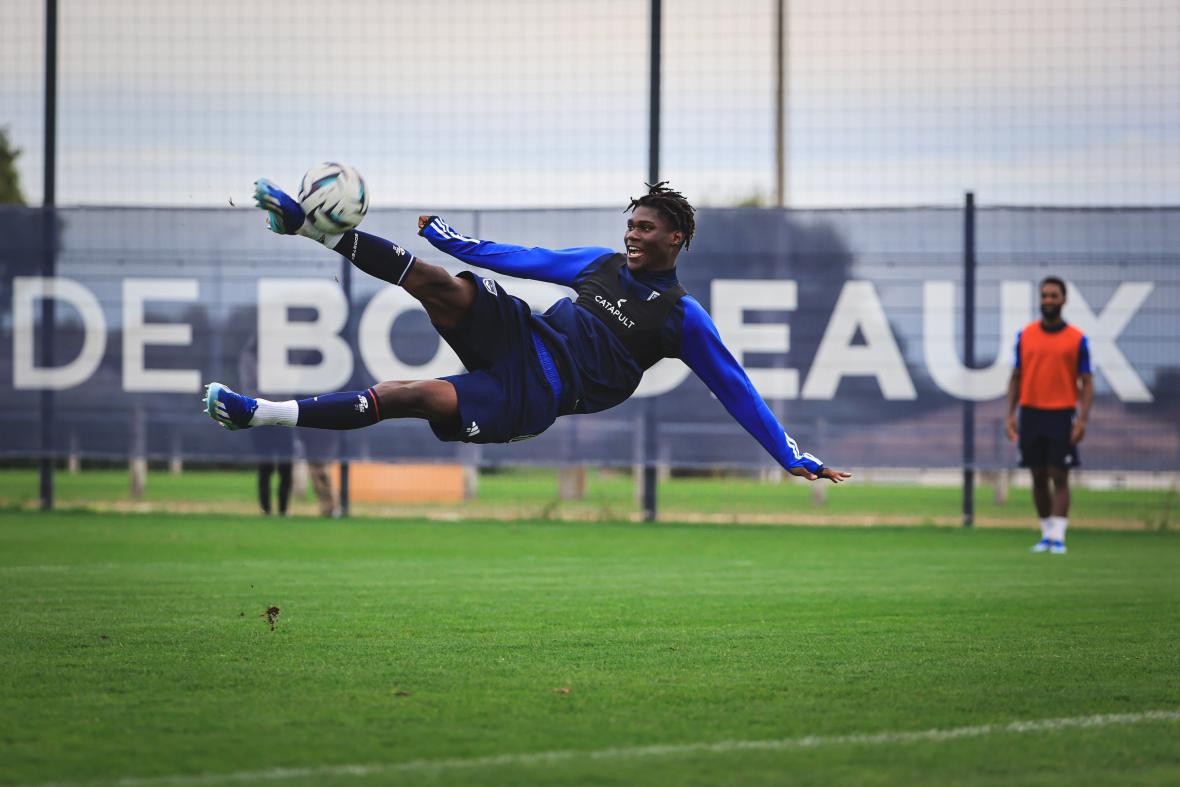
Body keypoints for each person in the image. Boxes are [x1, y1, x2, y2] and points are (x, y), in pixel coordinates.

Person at [203, 178, 852, 486]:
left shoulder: (682, 318)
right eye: (630, 224)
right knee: (439, 281)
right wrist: (451, 239)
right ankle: (308, 225)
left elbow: (735, 388)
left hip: (539, 395)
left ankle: (258, 414)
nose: (632, 234)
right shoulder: (599, 266)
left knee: (410, 395)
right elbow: (527, 258)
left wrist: (788, 453)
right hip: (524, 334)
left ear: (676, 239)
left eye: (646, 228)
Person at [1004, 276, 1093, 554]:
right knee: (1037, 475)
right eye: (1044, 296)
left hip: (1061, 412)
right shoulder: (1026, 335)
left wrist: (1082, 418)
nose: (1049, 301)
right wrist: (1010, 413)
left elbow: (1087, 381)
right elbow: (1016, 377)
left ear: (1064, 300)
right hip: (1031, 412)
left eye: (1054, 296)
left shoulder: (1076, 339)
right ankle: (1045, 534)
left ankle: (1059, 536)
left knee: (1060, 474)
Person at [238, 335, 293, 516]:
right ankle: (267, 509)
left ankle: (281, 510)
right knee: (266, 467)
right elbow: (251, 390)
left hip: (280, 416)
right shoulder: (250, 360)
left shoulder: (278, 357)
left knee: (284, 467)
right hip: (265, 417)